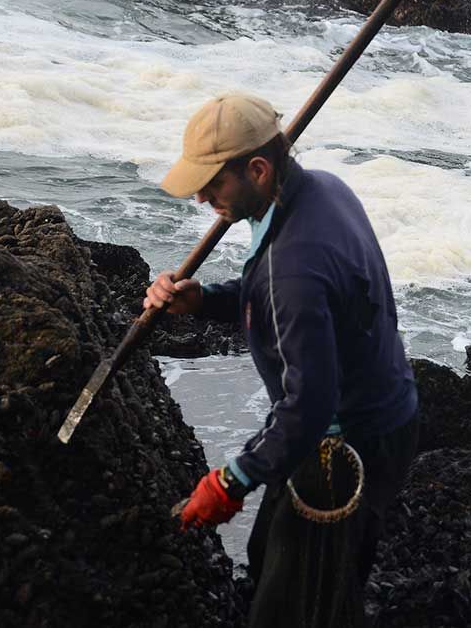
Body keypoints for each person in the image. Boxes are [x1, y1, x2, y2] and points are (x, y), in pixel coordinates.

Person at [144, 93, 419, 627]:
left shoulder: (291, 264)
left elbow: (307, 408)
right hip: (388, 418)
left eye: (213, 183)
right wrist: (204, 300)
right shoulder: (322, 191)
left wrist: (231, 480)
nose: (201, 199)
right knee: (285, 564)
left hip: (341, 450)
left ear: (259, 169)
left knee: (290, 609)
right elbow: (302, 299)